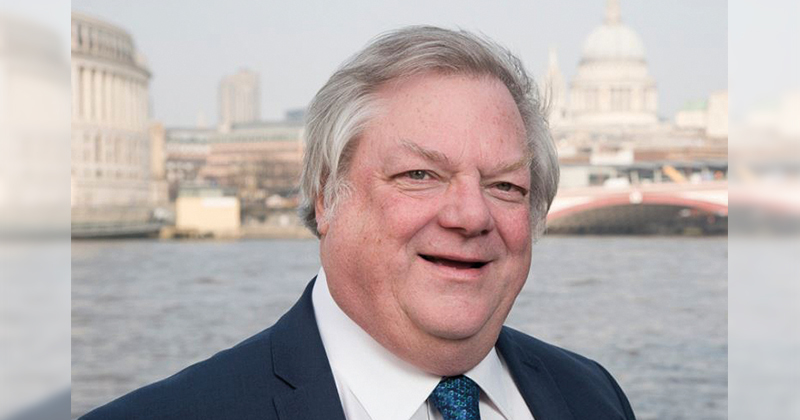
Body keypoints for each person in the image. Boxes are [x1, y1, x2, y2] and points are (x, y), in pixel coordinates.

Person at [81, 26, 636, 420]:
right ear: (326, 197)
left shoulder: (594, 397)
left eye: (505, 186)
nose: (471, 215)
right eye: (419, 174)